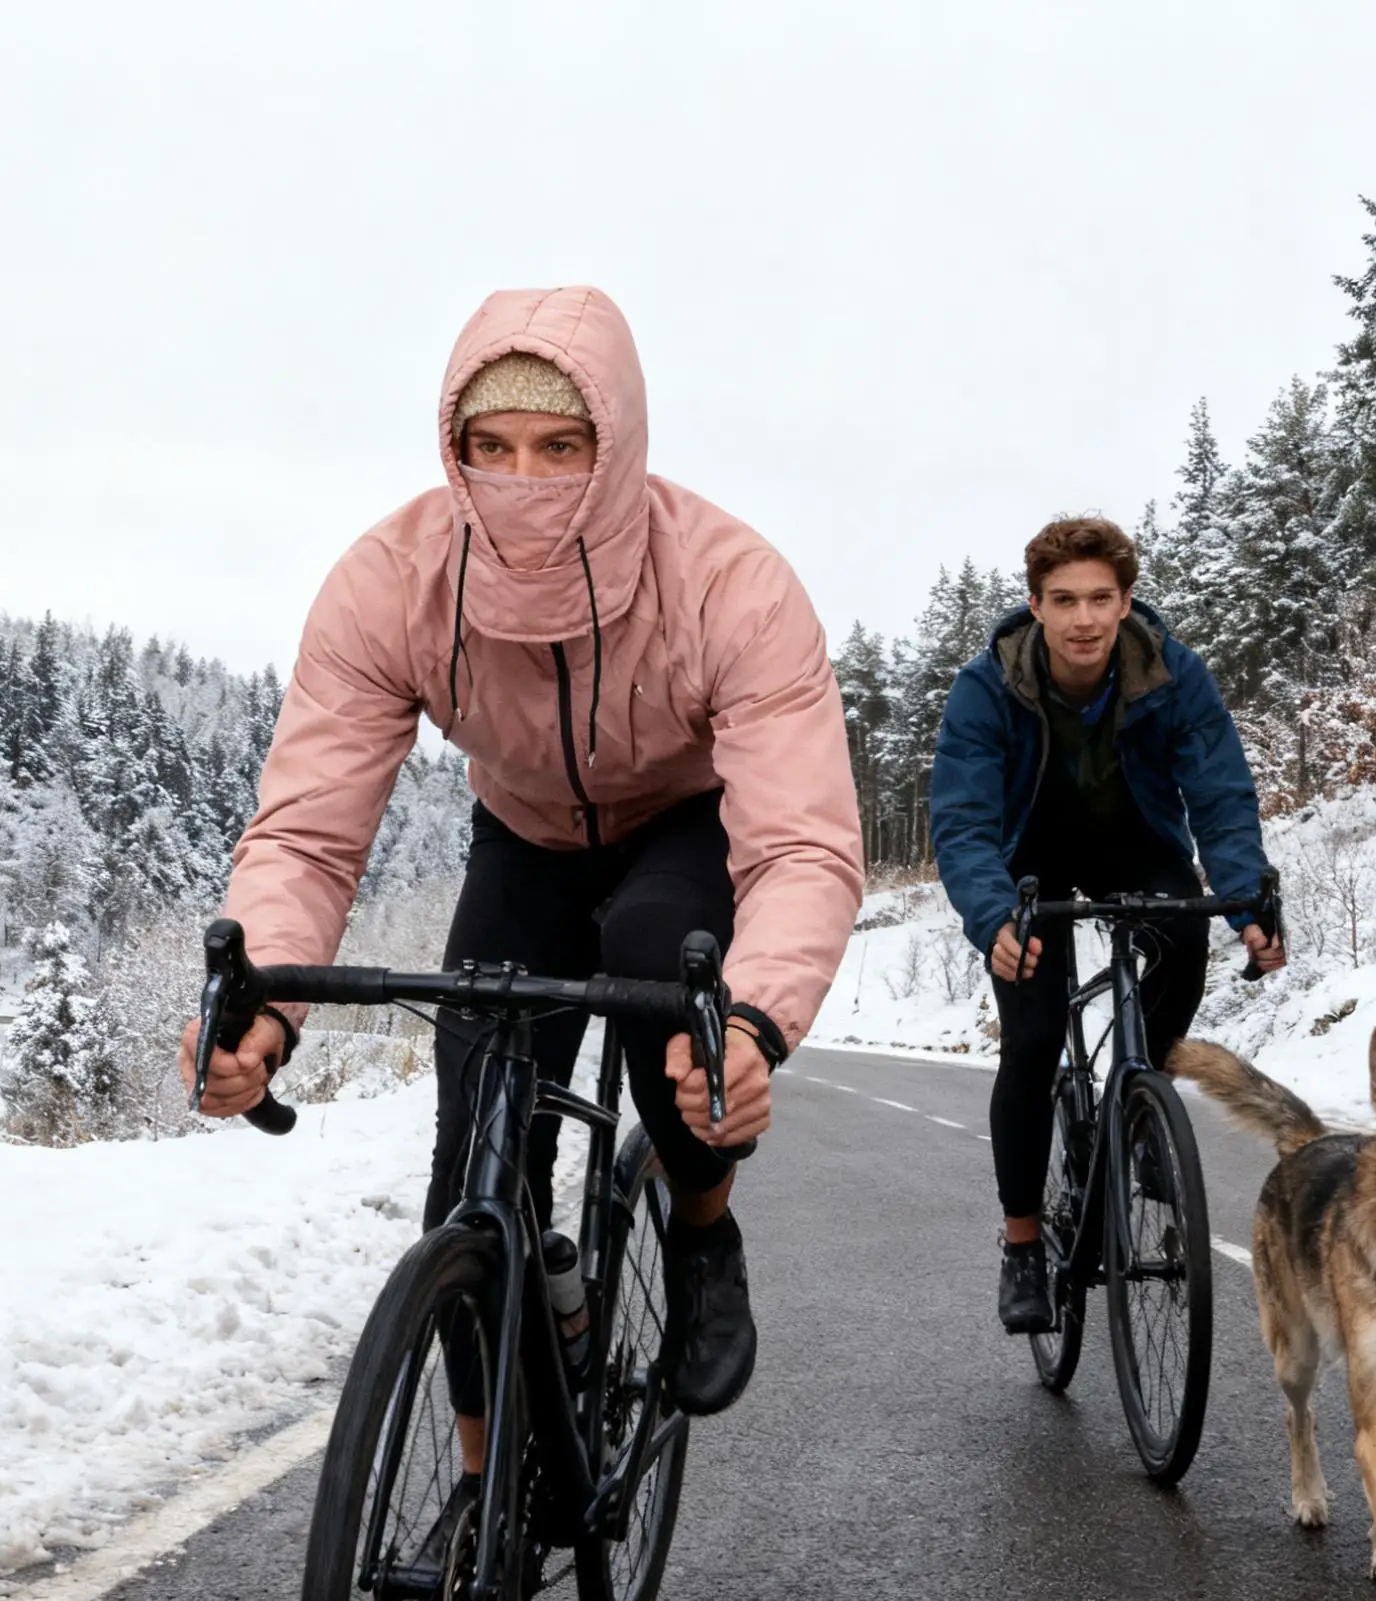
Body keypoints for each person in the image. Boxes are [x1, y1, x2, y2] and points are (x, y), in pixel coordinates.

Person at [177, 286, 863, 1461]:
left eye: (558, 446)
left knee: (668, 977)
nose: (521, 478)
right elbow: (307, 831)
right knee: (471, 1165)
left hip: (683, 828)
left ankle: (702, 1228)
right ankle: (484, 1469)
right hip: (525, 840)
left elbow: (799, 840)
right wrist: (262, 1006)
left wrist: (752, 1018)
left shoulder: (731, 581)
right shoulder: (390, 580)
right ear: (451, 450)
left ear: (616, 449)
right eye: (487, 449)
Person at [929, 516, 1284, 1333]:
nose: (1082, 618)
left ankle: (1138, 1096)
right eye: (1063, 600)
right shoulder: (986, 686)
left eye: (1099, 598)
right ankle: (1022, 1243)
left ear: (1125, 602)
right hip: (1028, 861)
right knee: (1030, 1037)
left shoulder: (1170, 673)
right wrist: (992, 918)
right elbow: (962, 821)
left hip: (1135, 844)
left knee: (1180, 930)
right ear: (1034, 604)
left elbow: (1220, 792)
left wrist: (1244, 897)